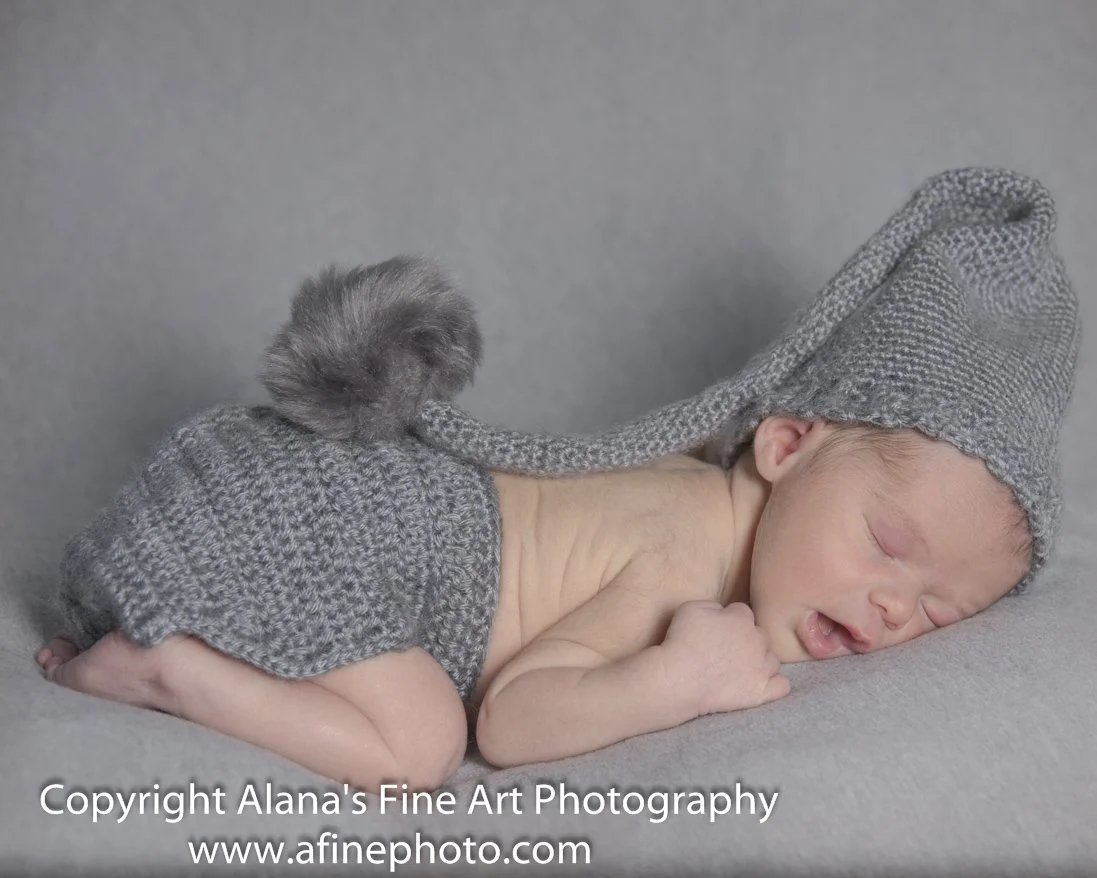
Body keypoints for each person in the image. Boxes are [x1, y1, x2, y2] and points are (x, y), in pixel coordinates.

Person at [36, 167, 1080, 796]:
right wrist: (674, 682)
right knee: (417, 745)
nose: (894, 604)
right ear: (785, 443)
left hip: (290, 498)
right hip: (316, 518)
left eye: (938, 610)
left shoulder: (679, 485)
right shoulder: (679, 547)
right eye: (888, 544)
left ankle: (158, 642)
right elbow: (516, 716)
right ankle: (159, 666)